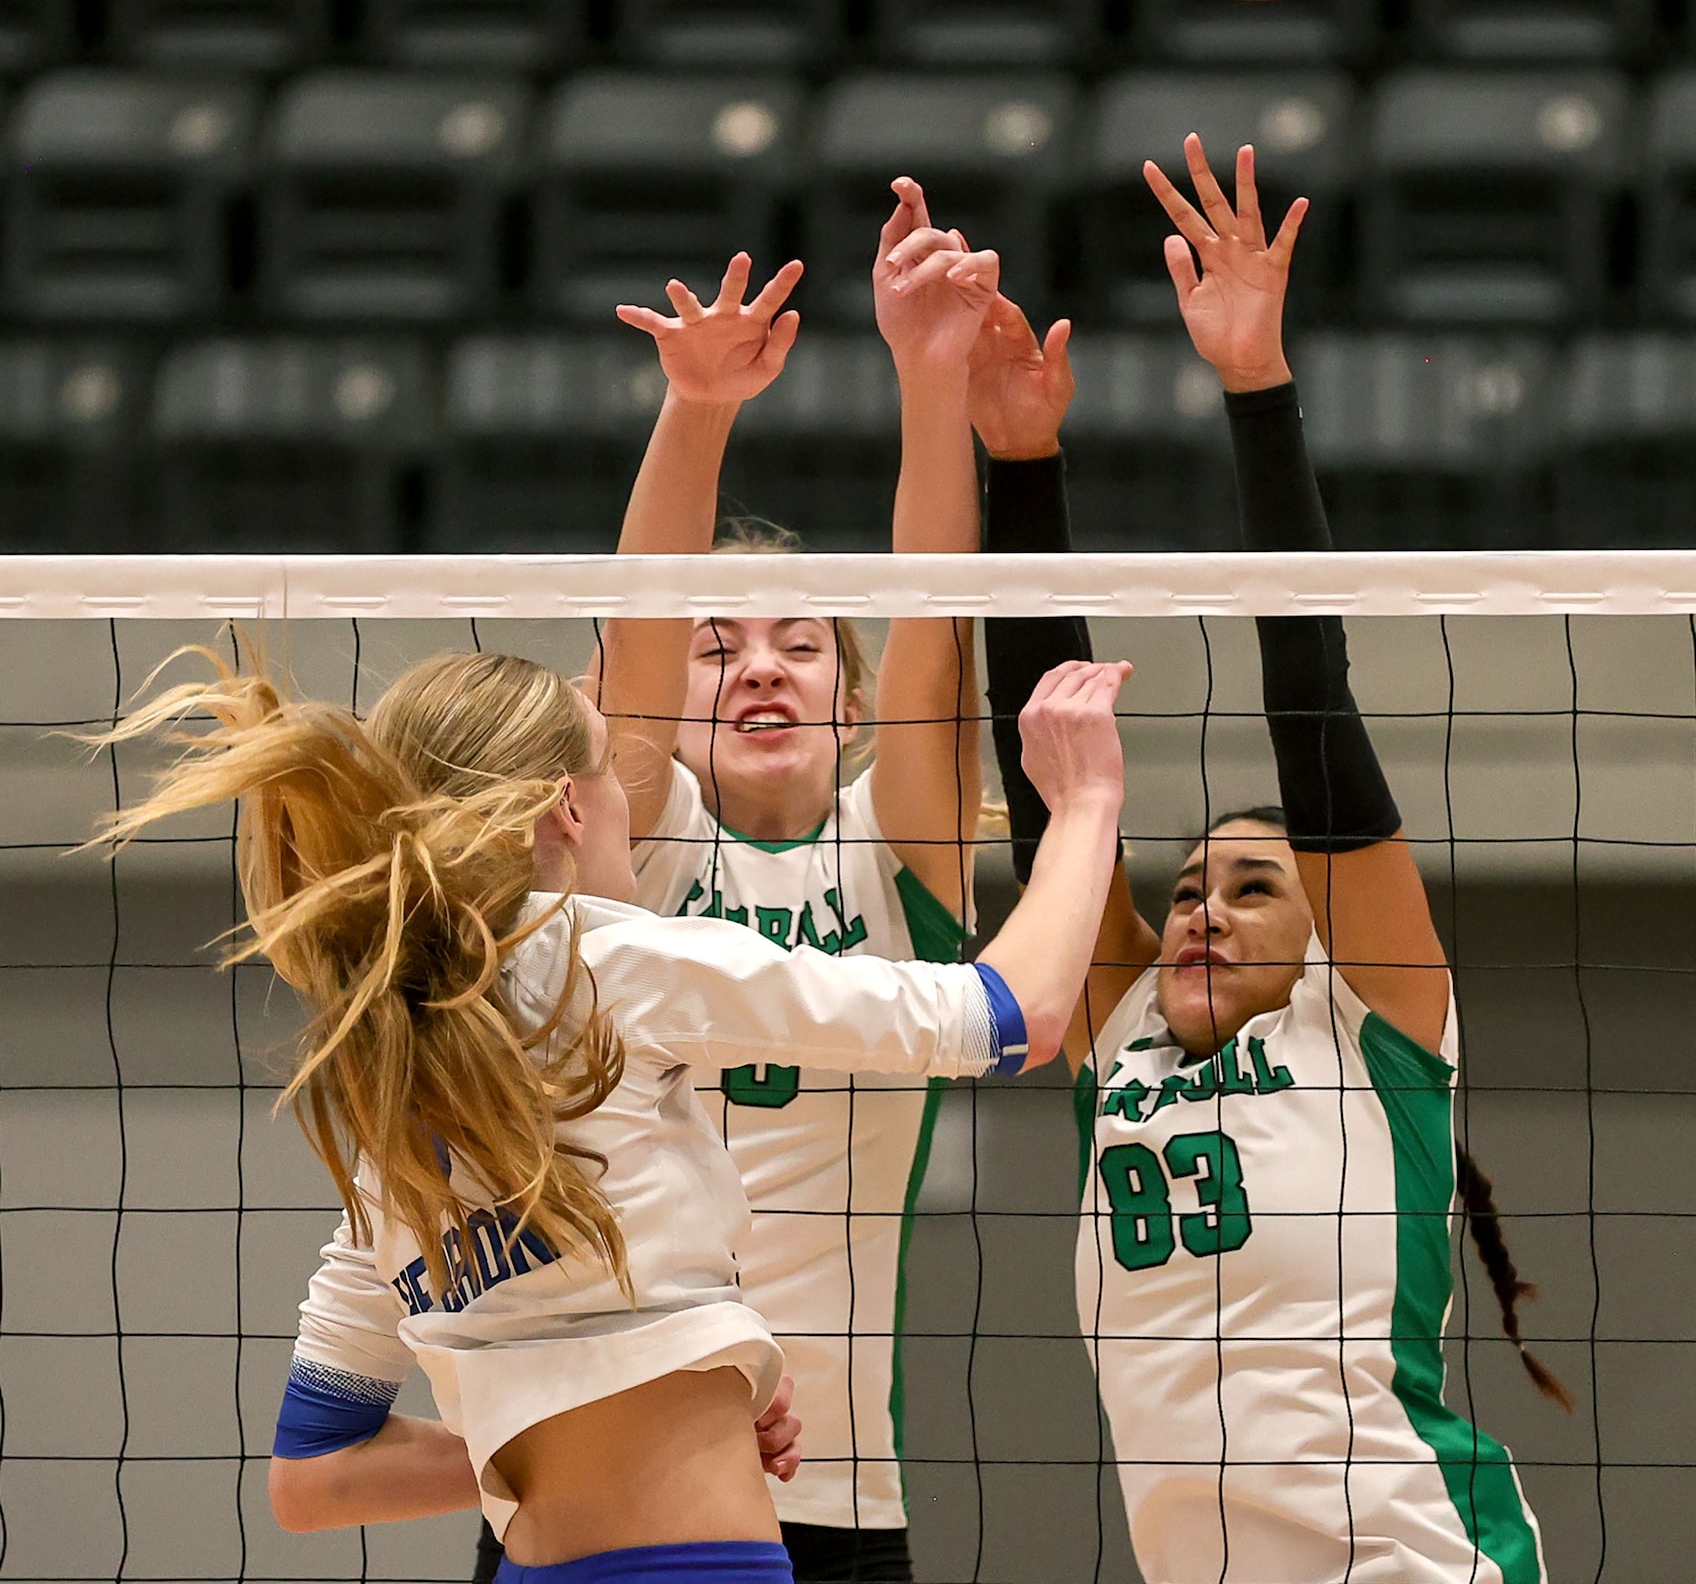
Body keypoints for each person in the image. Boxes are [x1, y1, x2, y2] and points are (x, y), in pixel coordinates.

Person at [93, 643, 1129, 1584]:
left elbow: (313, 1479)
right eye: (614, 775)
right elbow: (1010, 1016)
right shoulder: (616, 959)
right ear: (568, 809)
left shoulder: (392, 1103)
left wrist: (624, 1405)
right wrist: (1084, 803)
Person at [974, 135, 1566, 1584]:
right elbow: (1048, 772)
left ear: (1323, 927)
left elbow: (1316, 715)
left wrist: (1255, 385)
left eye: (1251, 886)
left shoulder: (1373, 1029)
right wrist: (1021, 462)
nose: (1198, 909)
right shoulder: (1118, 1041)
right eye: (1186, 886)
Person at [539, 183, 997, 1584]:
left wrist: (934, 376)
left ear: (852, 702)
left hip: (840, 1486)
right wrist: (697, 408)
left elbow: (934, 614)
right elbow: (637, 618)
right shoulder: (648, 834)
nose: (758, 666)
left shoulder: (895, 846)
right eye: (719, 646)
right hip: (606, 1462)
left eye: (801, 643)